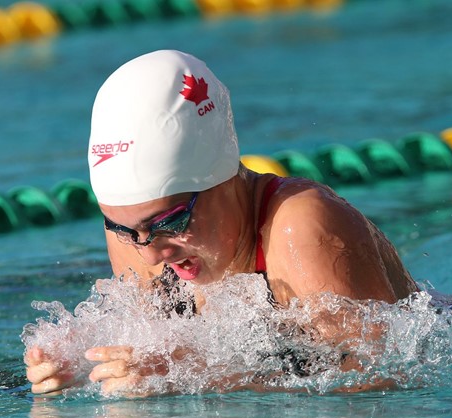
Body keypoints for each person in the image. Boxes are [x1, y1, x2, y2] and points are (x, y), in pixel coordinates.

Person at [25, 49, 418, 396]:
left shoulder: (299, 226)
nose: (150, 256)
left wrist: (203, 375)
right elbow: (148, 360)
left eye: (172, 221)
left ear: (224, 181)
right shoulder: (138, 235)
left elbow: (382, 378)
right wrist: (82, 364)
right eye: (122, 229)